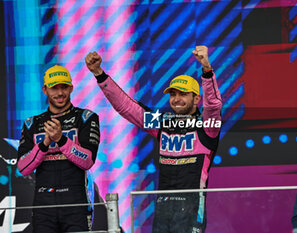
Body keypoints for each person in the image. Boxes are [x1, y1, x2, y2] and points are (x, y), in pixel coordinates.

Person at [85, 45, 222, 233]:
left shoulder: (207, 126)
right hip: (163, 209)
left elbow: (213, 105)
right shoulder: (162, 123)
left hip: (191, 209)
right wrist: (100, 75)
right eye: (173, 94)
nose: (176, 99)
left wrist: (207, 70)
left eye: (183, 94)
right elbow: (127, 106)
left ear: (196, 99)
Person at [17, 65, 100, 232]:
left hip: (76, 204)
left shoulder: (86, 117)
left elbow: (87, 161)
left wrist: (61, 140)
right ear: (45, 90)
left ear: (71, 88)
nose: (60, 93)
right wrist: (44, 144)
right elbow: (23, 167)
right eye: (54, 88)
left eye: (64, 87)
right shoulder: (31, 124)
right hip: (43, 206)